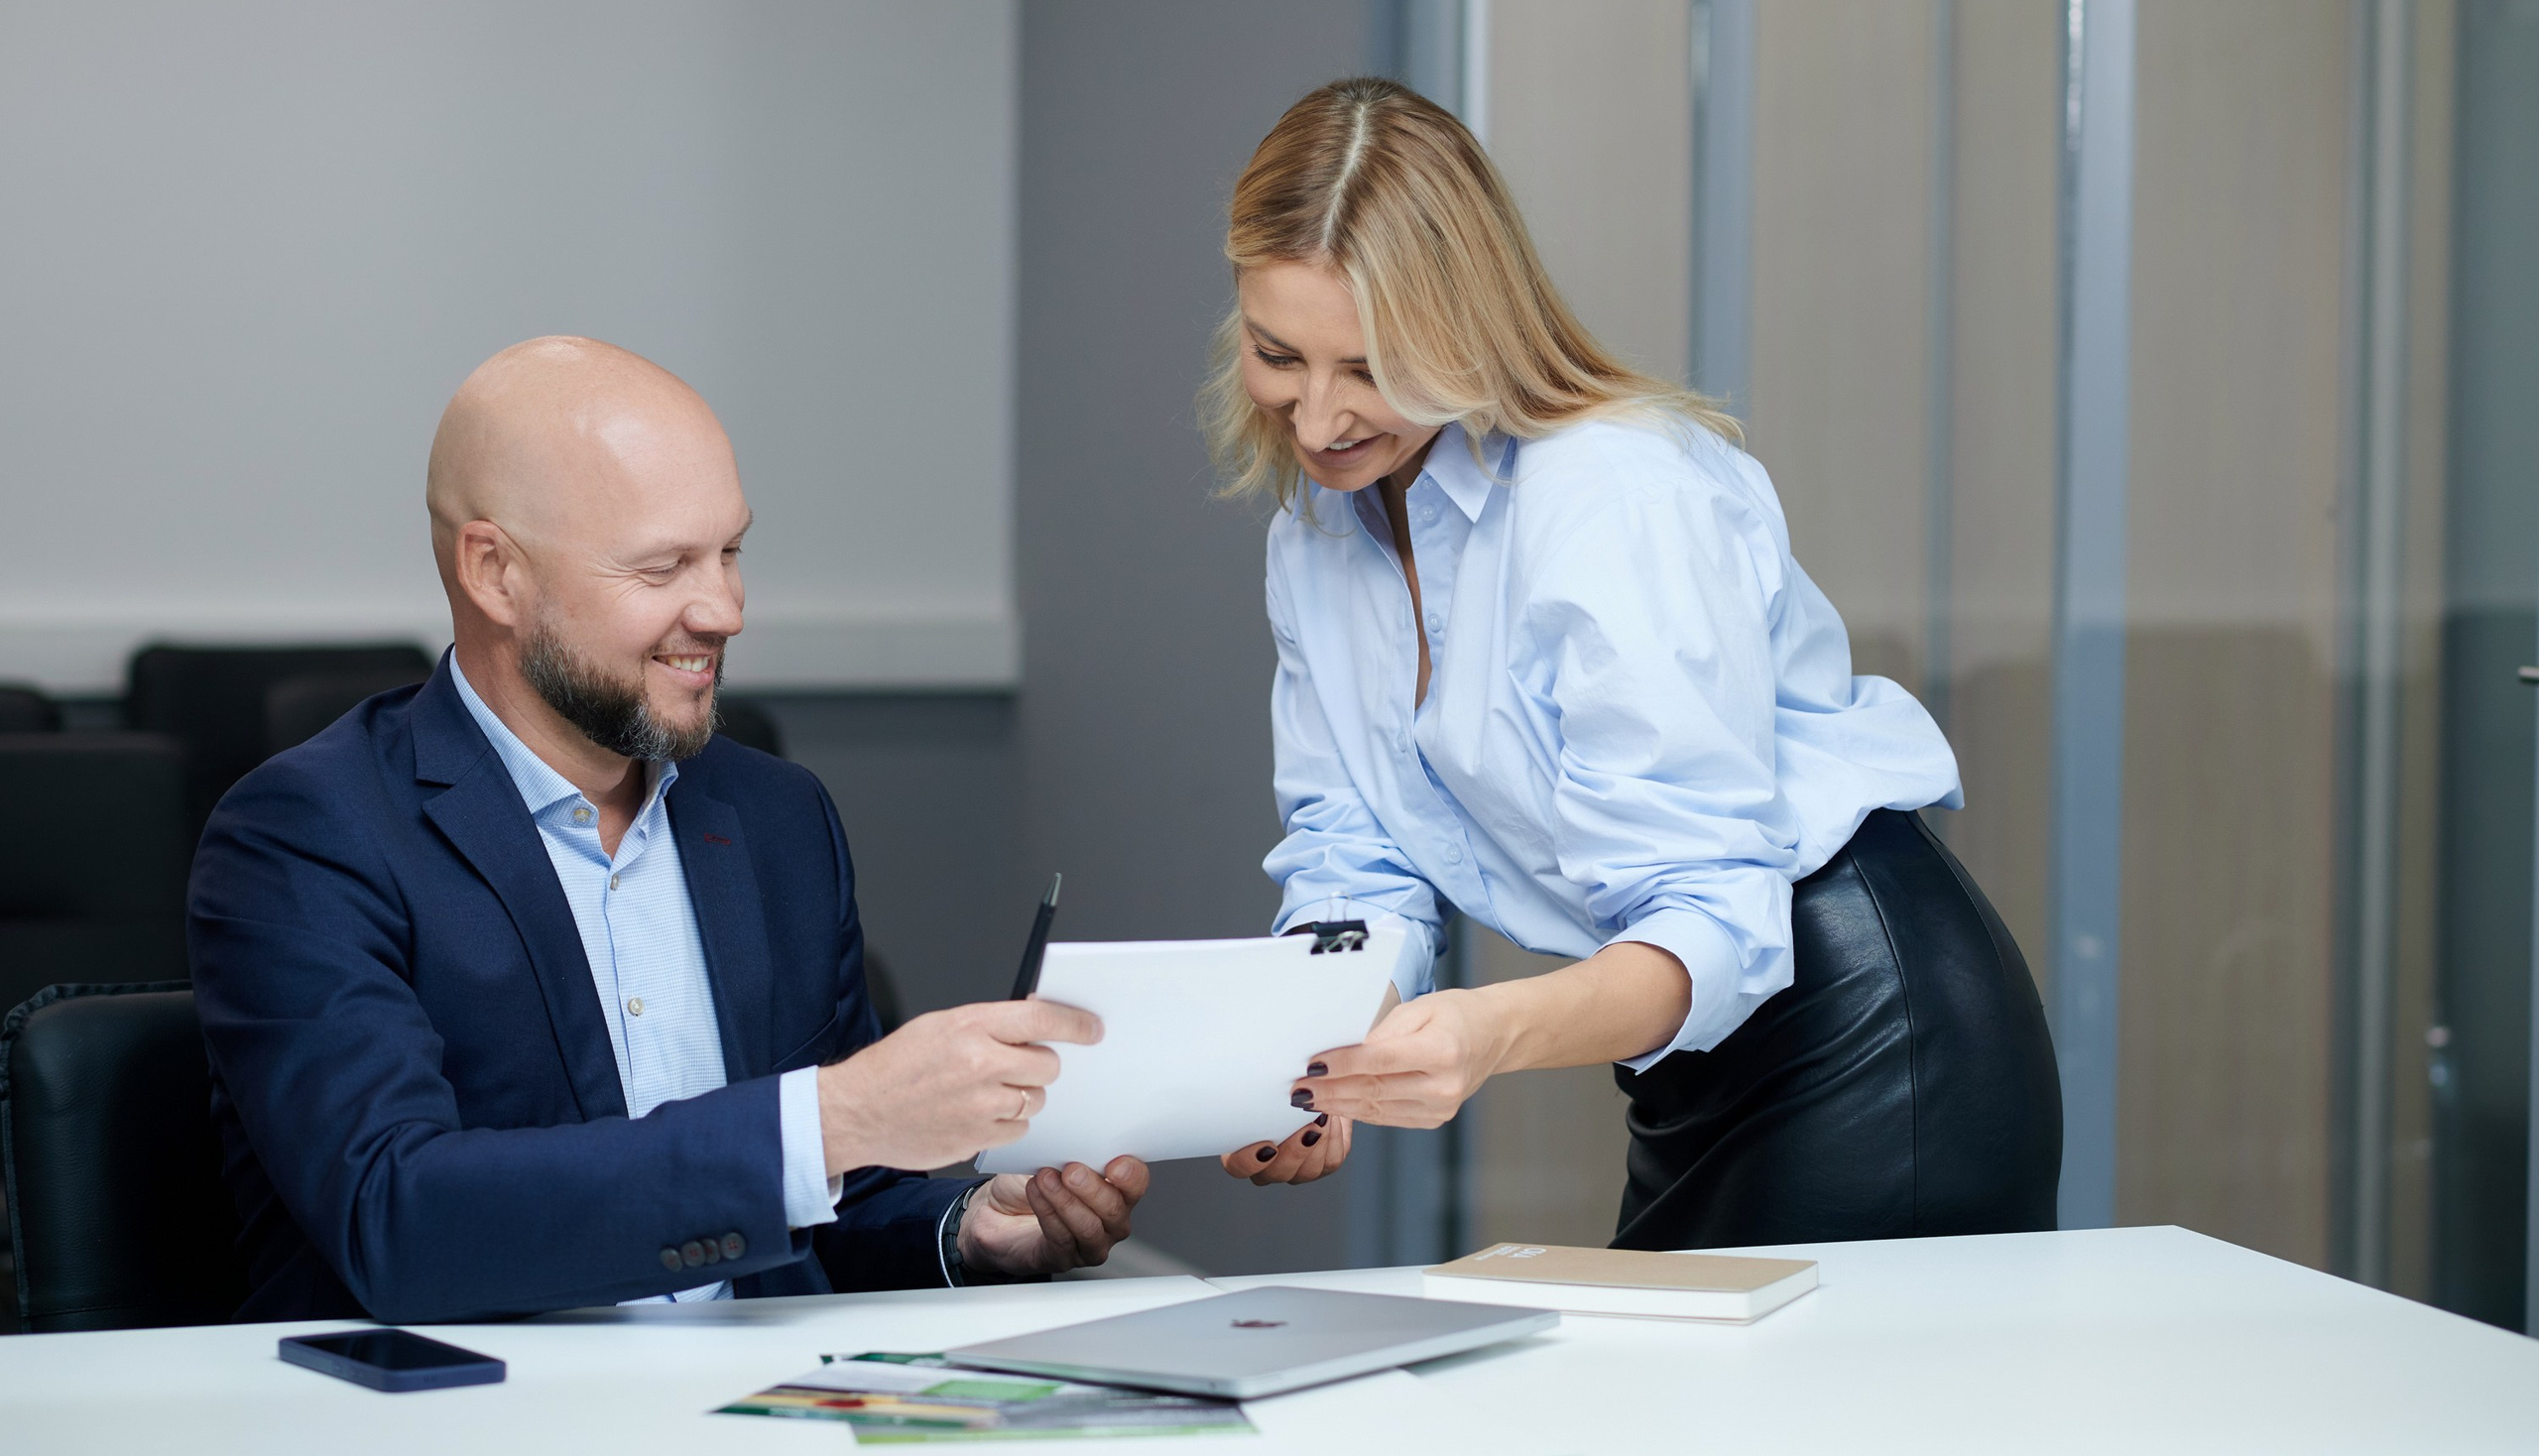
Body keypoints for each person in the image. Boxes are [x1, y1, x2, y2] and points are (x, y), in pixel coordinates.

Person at [1207, 78, 2059, 1248]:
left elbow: (1707, 912)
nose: (1316, 420)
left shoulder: (1611, 491)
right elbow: (1352, 854)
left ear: (1467, 326)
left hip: (1865, 1028)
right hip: (1689, 1063)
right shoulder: (1313, 534)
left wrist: (1480, 1033)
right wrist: (1311, 1048)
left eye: (1369, 367)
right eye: (1277, 355)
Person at [190, 338, 1147, 1323]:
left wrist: (966, 1228)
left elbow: (831, 1204)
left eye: (730, 551)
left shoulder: (778, 816)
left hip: (766, 1407)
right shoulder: (308, 833)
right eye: (664, 565)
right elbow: (397, 1217)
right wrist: (836, 1116)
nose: (725, 608)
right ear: (495, 572)